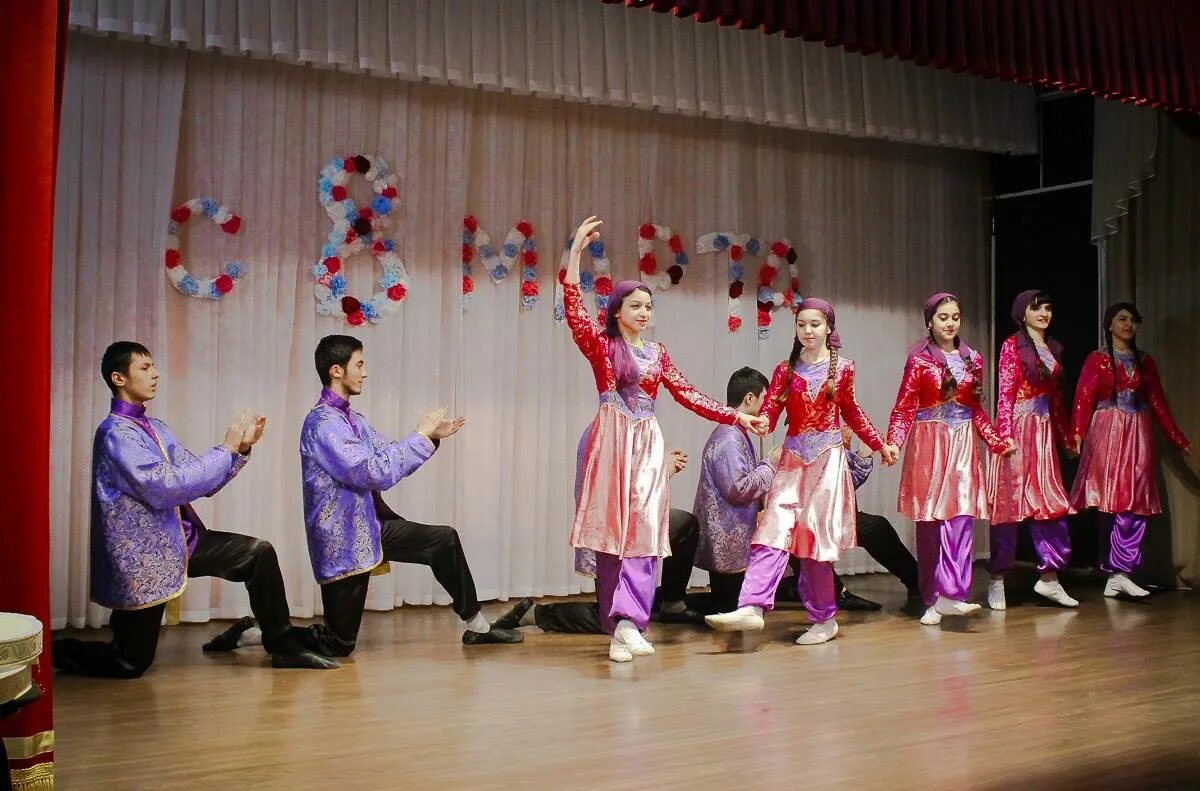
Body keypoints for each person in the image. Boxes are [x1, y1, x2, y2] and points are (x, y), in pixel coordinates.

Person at [52, 342, 334, 677]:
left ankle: (283, 645)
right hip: (145, 557)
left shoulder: (156, 429)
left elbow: (198, 481)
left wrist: (238, 450)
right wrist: (225, 449)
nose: (155, 373)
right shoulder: (115, 434)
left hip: (184, 541)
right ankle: (55, 652)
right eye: (144, 367)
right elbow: (167, 486)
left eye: (153, 366)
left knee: (258, 554)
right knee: (129, 662)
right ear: (118, 378)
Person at [562, 216, 767, 662]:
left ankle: (633, 622)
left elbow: (688, 393)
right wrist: (576, 252)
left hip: (647, 447)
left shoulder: (657, 354)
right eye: (635, 306)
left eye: (648, 307)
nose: (644, 313)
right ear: (617, 310)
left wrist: (736, 416)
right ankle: (616, 625)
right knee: (612, 536)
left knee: (646, 533)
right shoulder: (603, 348)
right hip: (612, 443)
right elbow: (575, 308)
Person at [299, 335, 521, 656]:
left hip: (372, 526)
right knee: (339, 642)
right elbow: (373, 472)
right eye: (359, 365)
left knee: (442, 540)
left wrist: (428, 438)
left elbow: (388, 454)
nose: (364, 372)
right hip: (345, 539)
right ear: (336, 370)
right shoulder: (322, 424)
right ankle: (262, 633)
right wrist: (418, 437)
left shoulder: (352, 420)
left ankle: (478, 627)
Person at [706, 299, 897, 645]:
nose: (808, 331)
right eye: (802, 325)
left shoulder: (844, 369)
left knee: (813, 542)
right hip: (793, 459)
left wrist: (881, 444)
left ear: (828, 328)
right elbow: (771, 414)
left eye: (815, 325)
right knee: (772, 528)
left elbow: (852, 413)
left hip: (827, 461)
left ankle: (824, 618)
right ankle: (752, 606)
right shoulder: (785, 370)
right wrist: (761, 422)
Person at [887, 293, 1015, 626]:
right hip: (929, 444)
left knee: (961, 516)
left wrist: (997, 442)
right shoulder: (919, 361)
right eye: (943, 317)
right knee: (930, 523)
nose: (950, 323)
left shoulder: (973, 358)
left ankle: (953, 592)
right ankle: (933, 598)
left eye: (955, 317)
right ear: (930, 321)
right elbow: (904, 408)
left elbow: (975, 411)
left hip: (962, 444)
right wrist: (894, 443)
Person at [1069, 302, 1192, 599]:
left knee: (1135, 501)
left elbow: (1158, 403)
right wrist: (1076, 434)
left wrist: (1177, 438)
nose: (1128, 325)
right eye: (1122, 319)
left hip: (1136, 433)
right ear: (1109, 324)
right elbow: (1084, 398)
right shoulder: (1097, 360)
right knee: (1111, 503)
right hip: (1107, 431)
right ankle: (1114, 573)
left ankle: (1121, 569)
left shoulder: (1145, 361)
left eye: (1133, 320)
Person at [985, 290, 1080, 610]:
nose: (1043, 313)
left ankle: (1050, 577)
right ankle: (998, 578)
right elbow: (1005, 395)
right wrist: (1005, 437)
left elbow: (1055, 401)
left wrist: (1067, 438)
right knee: (1009, 506)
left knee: (1050, 503)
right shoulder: (1013, 346)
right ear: (1021, 313)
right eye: (1036, 308)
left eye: (1048, 307)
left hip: (1042, 433)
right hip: (1018, 431)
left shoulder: (1052, 350)